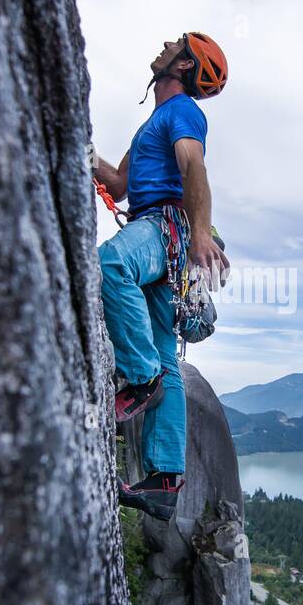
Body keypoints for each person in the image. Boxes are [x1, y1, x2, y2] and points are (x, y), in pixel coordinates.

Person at [93, 32, 230, 520]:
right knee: (165, 354)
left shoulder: (184, 113)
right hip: (158, 228)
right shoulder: (153, 123)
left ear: (185, 65)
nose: (165, 44)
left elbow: (194, 167)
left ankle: (139, 378)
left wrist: (198, 233)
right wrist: (88, 156)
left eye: (176, 44)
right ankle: (166, 480)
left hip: (163, 226)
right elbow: (120, 184)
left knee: (112, 263)